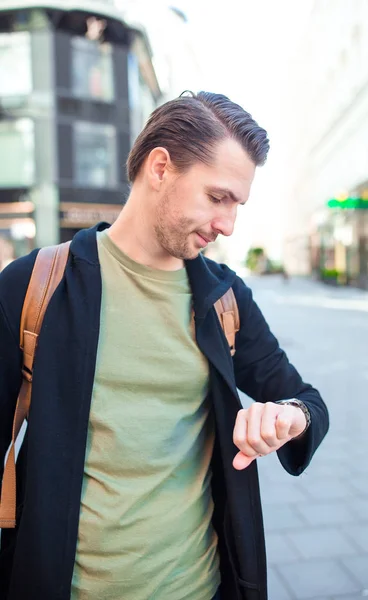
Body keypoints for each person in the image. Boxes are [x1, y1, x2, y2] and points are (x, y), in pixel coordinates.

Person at [0, 91, 329, 600]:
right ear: (160, 168)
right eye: (218, 197)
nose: (227, 225)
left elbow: (307, 401)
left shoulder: (224, 297)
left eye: (237, 206)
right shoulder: (35, 285)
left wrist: (289, 416)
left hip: (200, 586)